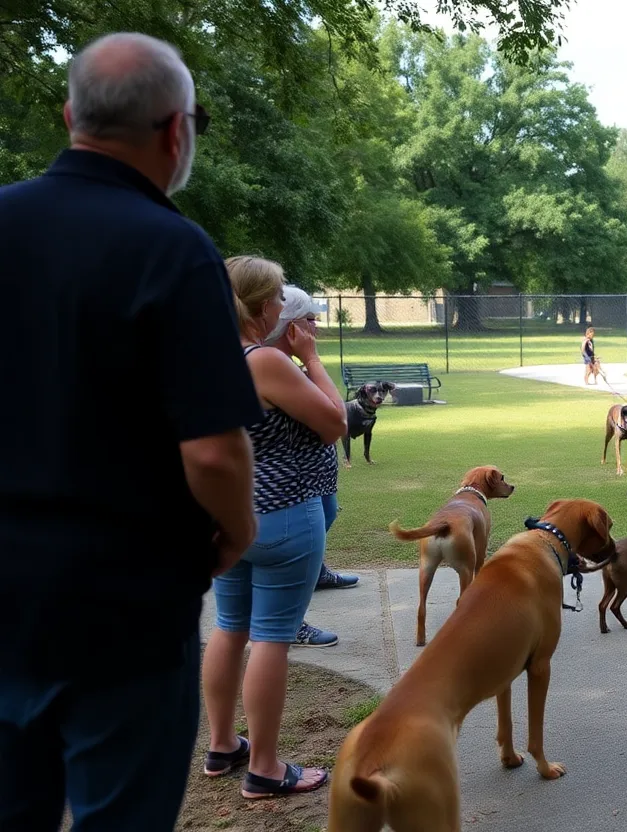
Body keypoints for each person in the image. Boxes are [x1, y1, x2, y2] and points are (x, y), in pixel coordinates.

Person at [0, 32, 262, 831]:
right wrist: (237, 528)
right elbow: (214, 449)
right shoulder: (171, 248)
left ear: (71, 114)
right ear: (175, 131)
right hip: (125, 600)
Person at [201, 256, 346, 800]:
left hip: (226, 514)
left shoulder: (204, 353)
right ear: (264, 307)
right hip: (282, 518)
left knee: (229, 625)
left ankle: (221, 745)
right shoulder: (264, 359)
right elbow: (335, 422)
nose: (288, 308)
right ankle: (264, 766)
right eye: (282, 298)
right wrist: (310, 357)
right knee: (271, 639)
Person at [264, 287, 359, 649]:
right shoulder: (274, 367)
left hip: (313, 482)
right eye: (309, 320)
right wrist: (314, 362)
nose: (315, 327)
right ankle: (293, 623)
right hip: (290, 492)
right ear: (289, 326)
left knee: (328, 512)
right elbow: (338, 422)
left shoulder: (284, 366)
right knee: (273, 616)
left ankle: (316, 573)